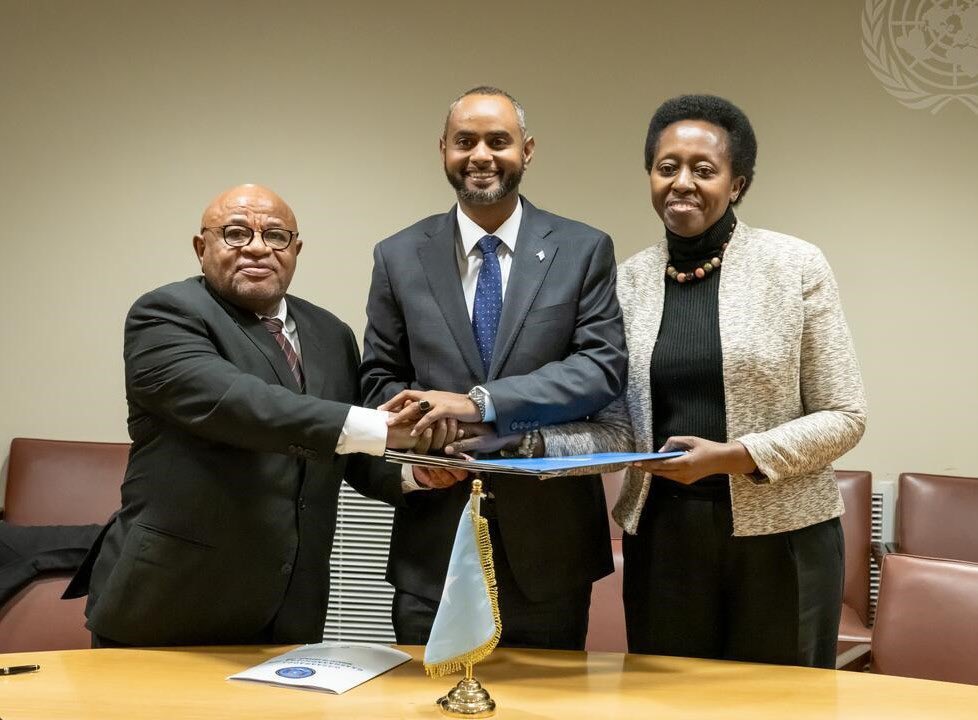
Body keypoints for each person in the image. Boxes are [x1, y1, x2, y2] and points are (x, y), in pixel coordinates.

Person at [452, 95, 867, 668]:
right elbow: (618, 430)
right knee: (667, 698)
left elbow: (845, 416)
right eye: (667, 167)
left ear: (737, 184)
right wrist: (524, 442)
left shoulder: (794, 266)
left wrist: (735, 456)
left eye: (704, 169)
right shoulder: (627, 282)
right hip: (663, 539)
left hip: (784, 538)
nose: (682, 183)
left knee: (780, 702)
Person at [65, 184, 417, 647]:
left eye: (275, 235)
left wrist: (415, 473)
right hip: (170, 601)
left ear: (295, 250)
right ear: (201, 247)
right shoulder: (165, 315)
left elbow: (342, 450)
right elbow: (240, 405)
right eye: (235, 233)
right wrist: (385, 427)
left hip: (291, 609)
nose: (256, 247)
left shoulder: (332, 333)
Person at [360, 86, 627, 649]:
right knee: (424, 694)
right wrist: (426, 433)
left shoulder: (582, 249)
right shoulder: (397, 255)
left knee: (545, 696)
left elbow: (600, 368)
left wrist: (481, 404)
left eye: (498, 141)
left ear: (526, 151)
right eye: (465, 141)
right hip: (433, 543)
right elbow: (379, 379)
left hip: (550, 553)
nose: (481, 155)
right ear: (444, 150)